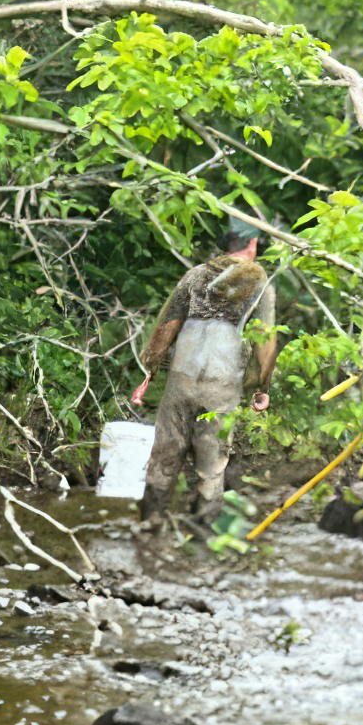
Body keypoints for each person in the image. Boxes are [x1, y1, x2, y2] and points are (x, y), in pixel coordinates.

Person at [127, 218, 279, 558]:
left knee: (165, 453)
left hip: (182, 381)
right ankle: (200, 539)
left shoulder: (195, 275)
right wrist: (261, 386)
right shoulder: (260, 285)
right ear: (252, 245)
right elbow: (264, 342)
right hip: (221, 387)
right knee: (212, 464)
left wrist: (150, 368)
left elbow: (167, 326)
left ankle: (149, 526)